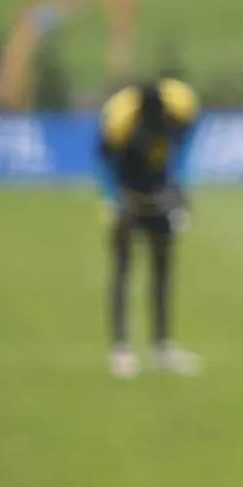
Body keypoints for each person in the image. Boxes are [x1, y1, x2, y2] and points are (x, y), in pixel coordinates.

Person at [96, 79, 201, 378]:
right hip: (128, 197)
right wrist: (111, 199)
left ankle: (162, 347)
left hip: (159, 199)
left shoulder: (178, 115)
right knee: (123, 271)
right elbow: (104, 161)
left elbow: (182, 151)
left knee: (162, 271)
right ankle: (120, 349)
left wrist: (179, 193)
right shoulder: (120, 123)